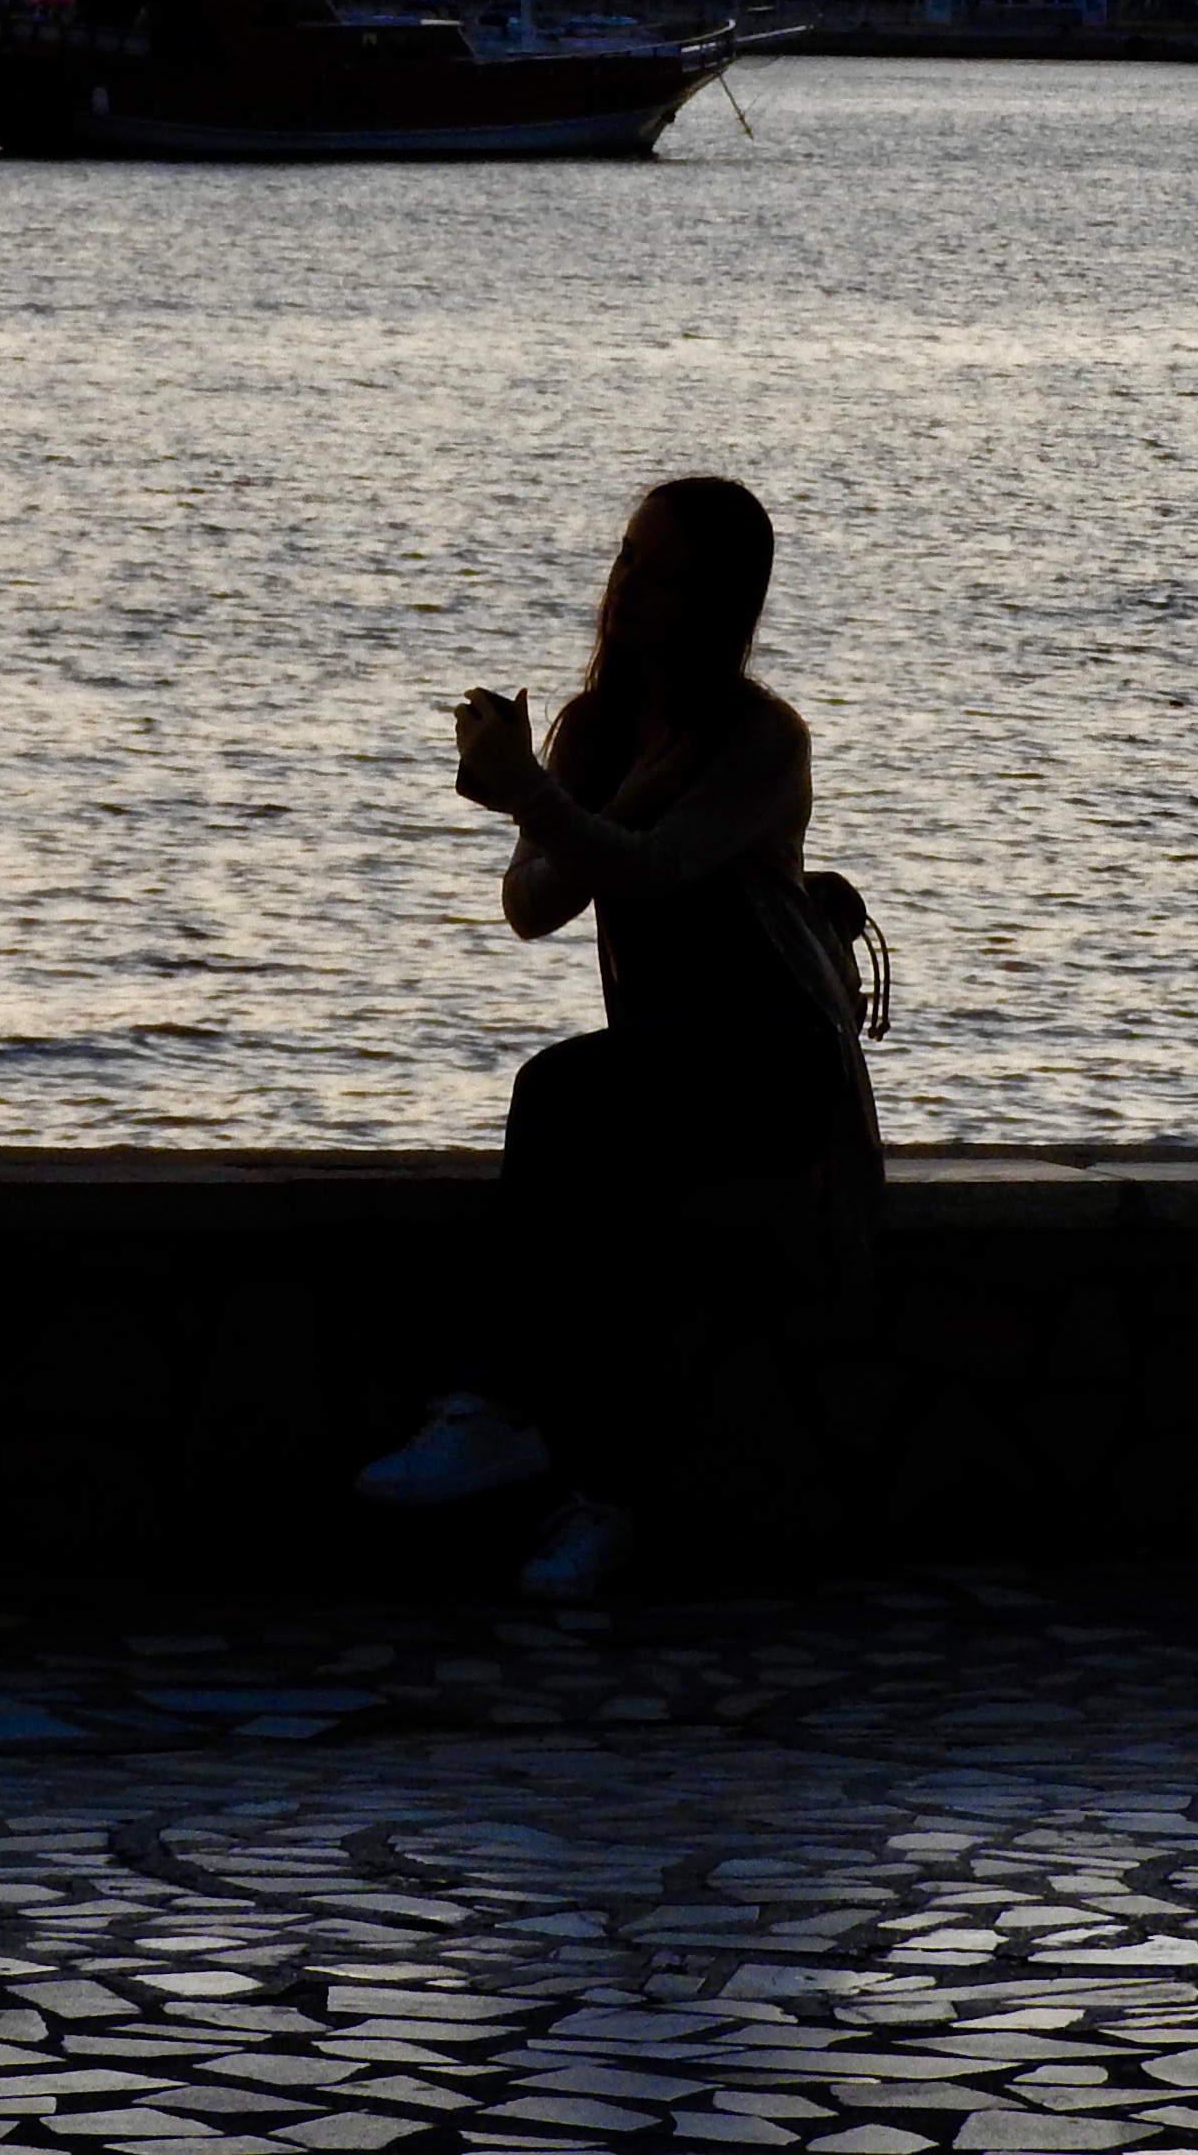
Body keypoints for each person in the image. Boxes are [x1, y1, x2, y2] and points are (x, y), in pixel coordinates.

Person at [357, 476, 878, 1599]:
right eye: (628, 560)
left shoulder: (758, 739)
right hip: (662, 1061)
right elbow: (534, 905)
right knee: (609, 1214)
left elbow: (651, 868)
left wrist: (534, 793)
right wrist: (534, 788)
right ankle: (605, 1503)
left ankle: (497, 1413)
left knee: (557, 1093)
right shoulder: (590, 730)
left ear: (720, 602)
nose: (630, 589)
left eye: (664, 574)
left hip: (770, 1056)